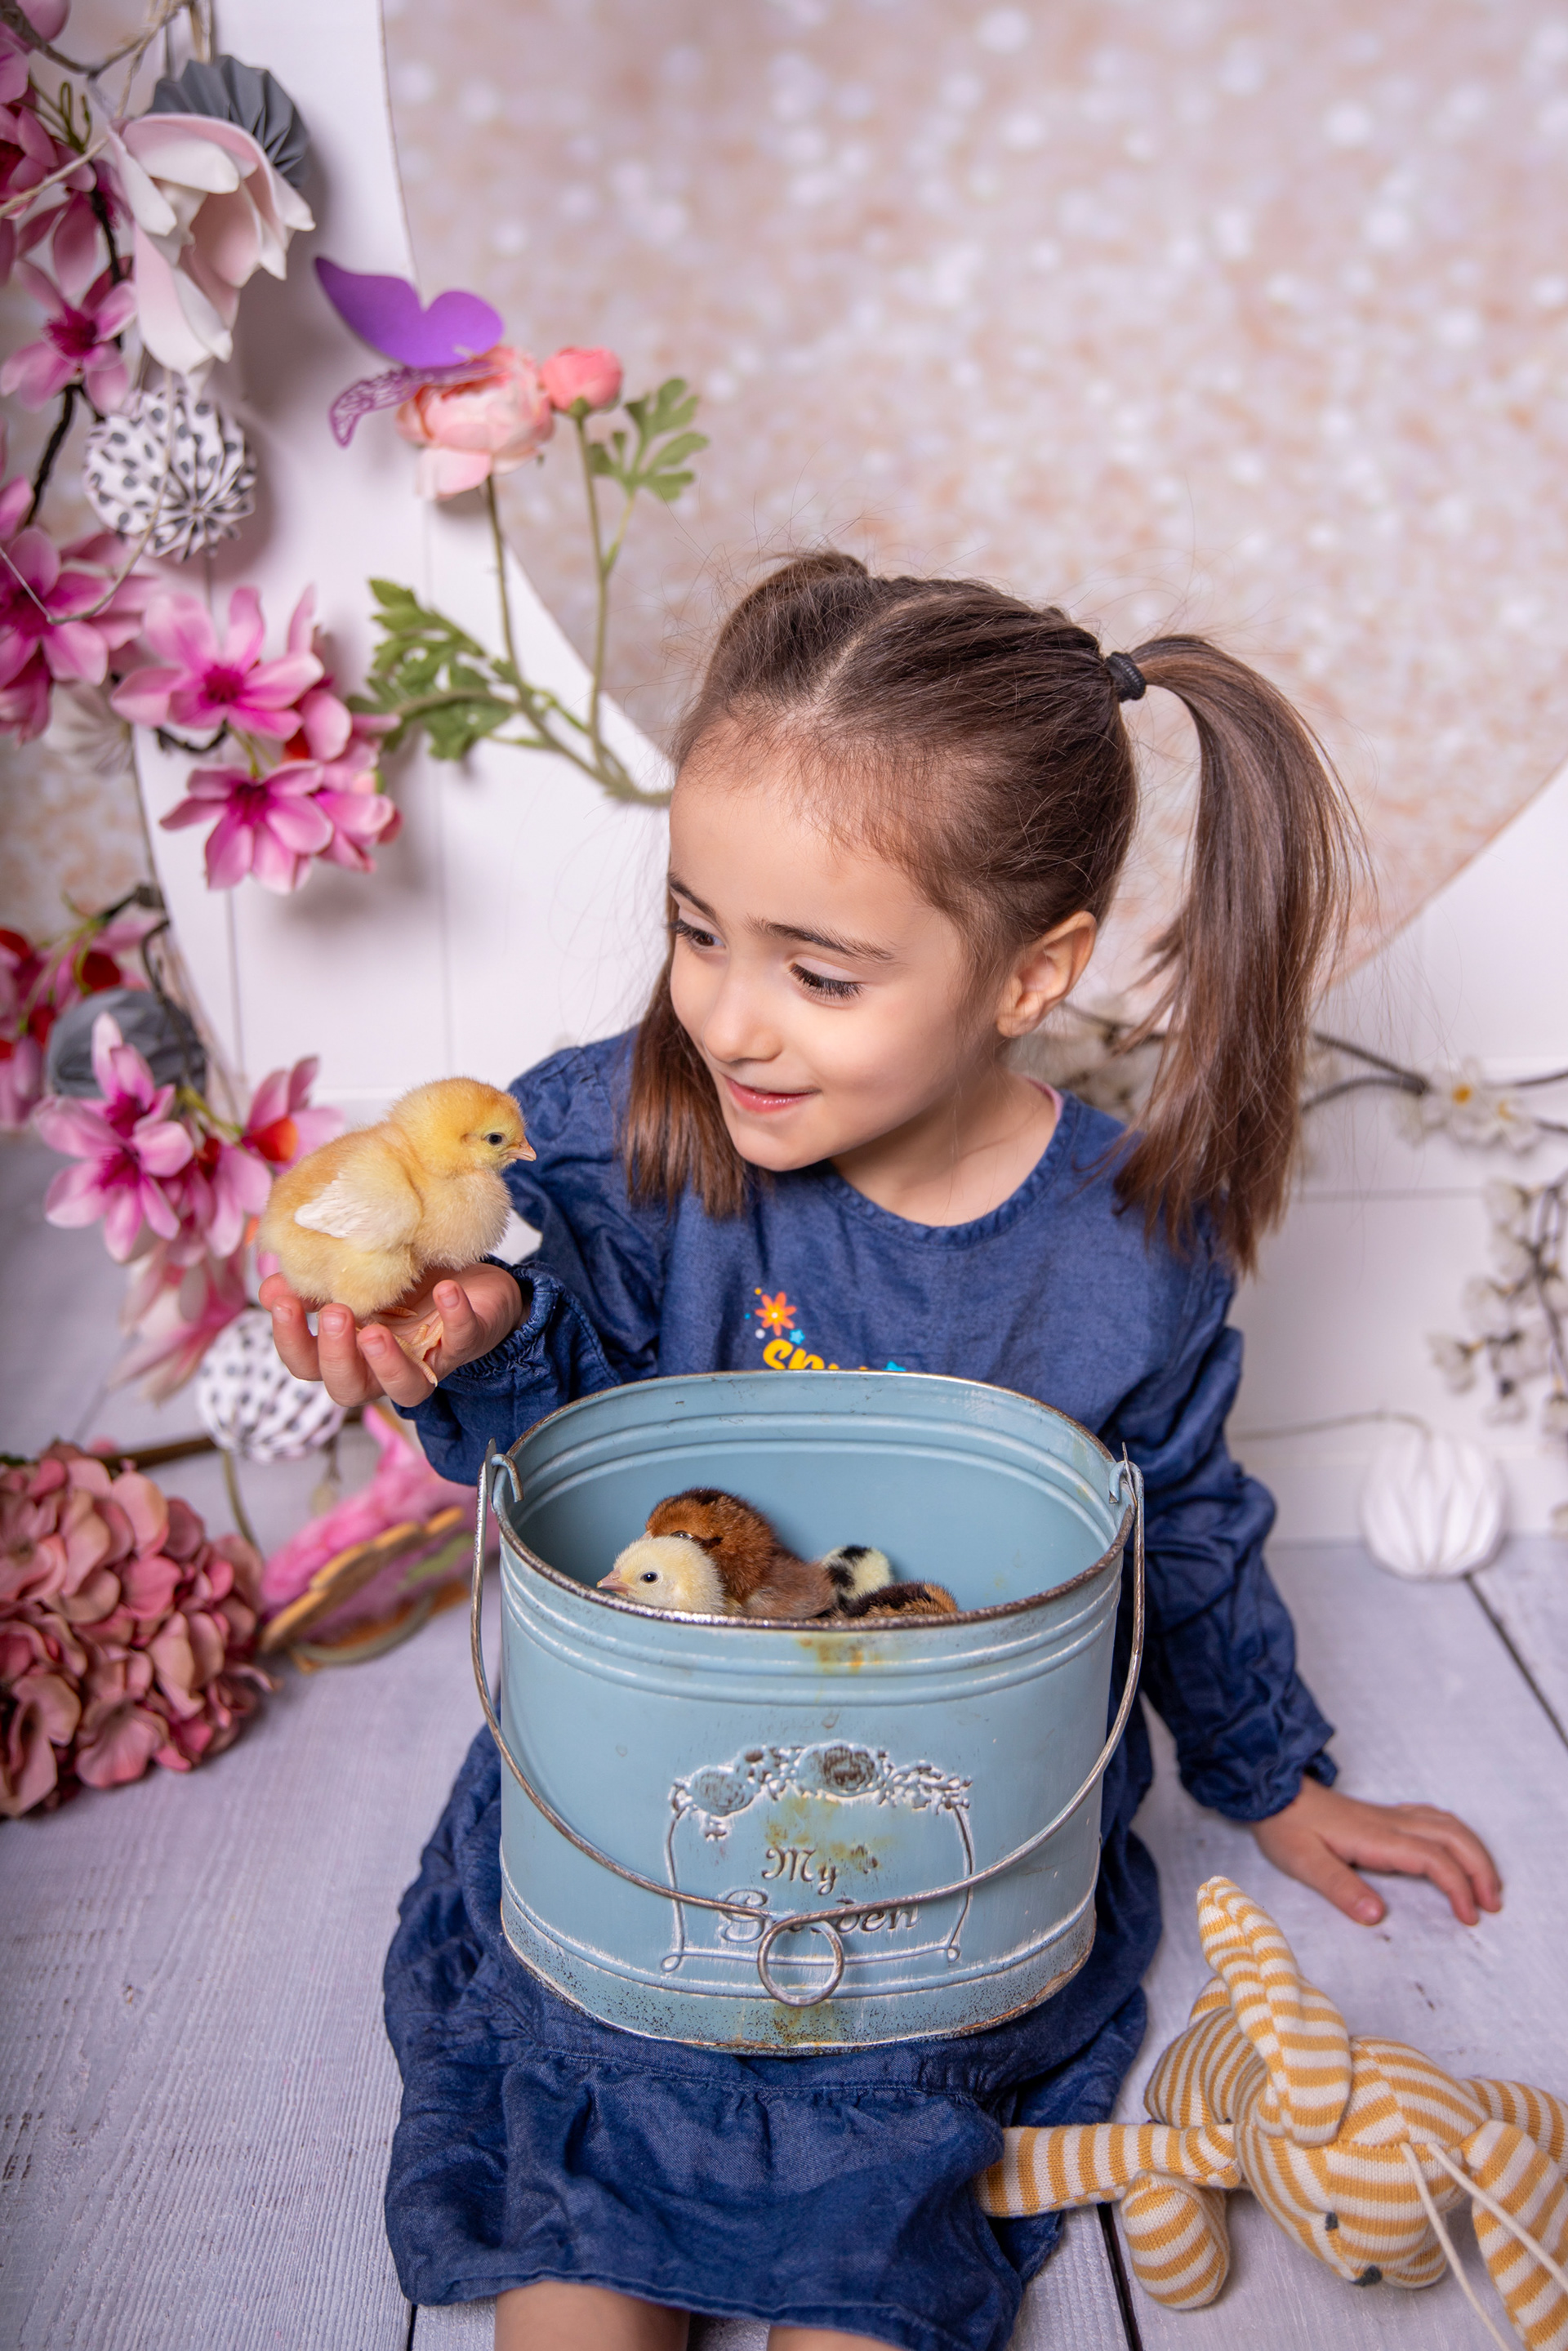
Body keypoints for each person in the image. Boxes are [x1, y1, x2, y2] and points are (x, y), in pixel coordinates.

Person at [263, 555, 1501, 2351]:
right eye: (698, 930)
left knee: (862, 2296)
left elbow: (1188, 1535)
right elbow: (555, 1468)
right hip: (649, 1851)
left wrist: (1273, 1774)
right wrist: (469, 1338)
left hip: (924, 1889)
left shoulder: (1120, 1255)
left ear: (1031, 973)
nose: (730, 1017)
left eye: (818, 974)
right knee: (575, 2296)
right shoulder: (618, 1142)